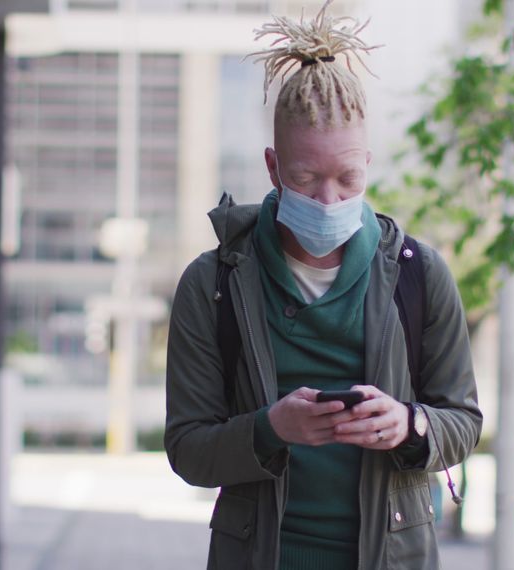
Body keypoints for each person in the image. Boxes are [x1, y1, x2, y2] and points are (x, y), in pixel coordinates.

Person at [164, 2, 483, 568]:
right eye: (306, 179)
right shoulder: (212, 283)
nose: (330, 200)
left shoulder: (420, 274)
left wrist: (411, 423)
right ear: (272, 167)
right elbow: (189, 449)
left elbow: (463, 422)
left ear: (368, 163)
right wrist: (271, 428)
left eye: (348, 178)